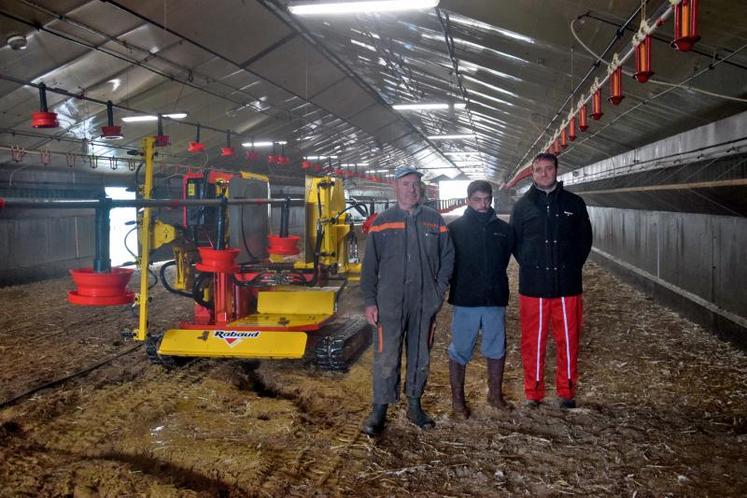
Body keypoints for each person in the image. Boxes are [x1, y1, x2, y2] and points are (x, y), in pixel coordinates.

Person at [360, 166, 454, 436]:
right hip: (389, 302)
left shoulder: (434, 220)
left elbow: (448, 257)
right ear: (396, 188)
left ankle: (414, 405)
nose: (411, 189)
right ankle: (380, 409)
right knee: (386, 356)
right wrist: (369, 301)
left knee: (419, 355)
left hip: (424, 301)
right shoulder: (382, 222)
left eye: (415, 184)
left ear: (420, 188)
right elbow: (370, 266)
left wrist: (438, 291)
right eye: (405, 184)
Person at [510, 153, 592, 409]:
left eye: (548, 168)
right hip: (534, 286)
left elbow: (584, 240)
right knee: (533, 341)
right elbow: (516, 243)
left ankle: (566, 391)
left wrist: (571, 266)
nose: (544, 173)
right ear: (532, 173)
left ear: (556, 170)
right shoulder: (522, 207)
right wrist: (533, 266)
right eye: (538, 170)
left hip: (567, 285)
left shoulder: (573, 203)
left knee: (568, 339)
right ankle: (533, 393)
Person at [447, 180, 514, 419]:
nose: (483, 204)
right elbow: (449, 263)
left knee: (496, 348)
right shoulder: (455, 229)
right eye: (477, 199)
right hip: (466, 299)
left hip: (495, 297)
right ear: (468, 200)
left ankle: (495, 396)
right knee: (460, 349)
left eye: (487, 199)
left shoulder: (503, 229)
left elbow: (505, 259)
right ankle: (458, 401)